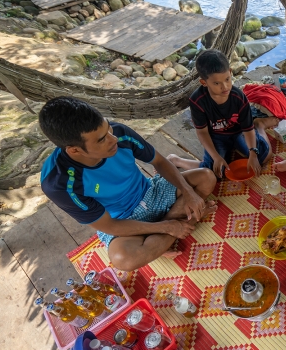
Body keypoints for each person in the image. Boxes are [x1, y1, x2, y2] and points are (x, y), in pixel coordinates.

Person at [39, 97, 218, 272]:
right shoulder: (60, 183)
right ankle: (188, 219)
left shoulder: (118, 133)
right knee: (123, 260)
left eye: (108, 128)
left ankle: (161, 238)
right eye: (101, 139)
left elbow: (160, 162)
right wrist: (168, 227)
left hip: (151, 192)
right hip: (123, 221)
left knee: (206, 178)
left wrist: (188, 193)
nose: (113, 139)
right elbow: (110, 226)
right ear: (75, 150)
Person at [167, 50, 272, 178]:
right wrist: (216, 157)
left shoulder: (238, 97)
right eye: (217, 83)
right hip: (216, 136)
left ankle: (260, 126)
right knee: (213, 173)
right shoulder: (198, 101)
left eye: (227, 79)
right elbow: (202, 132)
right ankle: (177, 160)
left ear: (230, 72)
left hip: (240, 131)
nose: (225, 87)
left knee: (264, 156)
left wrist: (253, 153)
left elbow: (247, 129)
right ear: (204, 83)